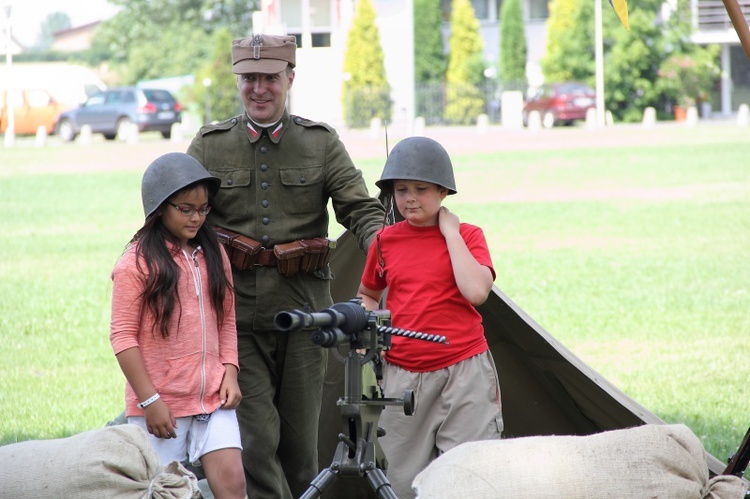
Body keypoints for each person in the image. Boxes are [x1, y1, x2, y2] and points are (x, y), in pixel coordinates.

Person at [186, 34, 385, 499]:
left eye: (270, 78)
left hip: (307, 318)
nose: (259, 89)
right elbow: (177, 210)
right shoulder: (210, 146)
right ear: (238, 81)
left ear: (289, 79)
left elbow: (360, 209)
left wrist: (388, 249)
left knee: (300, 449)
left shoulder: (320, 143)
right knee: (255, 442)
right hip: (235, 322)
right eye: (249, 78)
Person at [357, 136, 504, 499]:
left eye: (421, 189)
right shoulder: (384, 241)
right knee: (401, 484)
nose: (409, 198)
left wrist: (450, 232)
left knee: (468, 478)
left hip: (464, 372)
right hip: (402, 377)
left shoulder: (468, 235)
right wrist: (367, 328)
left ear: (442, 191)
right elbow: (368, 295)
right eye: (401, 189)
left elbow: (476, 292)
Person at [110, 152, 246, 499]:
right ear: (159, 208)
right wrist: (149, 400)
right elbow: (123, 337)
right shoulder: (135, 263)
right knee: (166, 493)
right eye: (185, 209)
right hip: (161, 407)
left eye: (203, 209)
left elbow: (226, 318)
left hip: (213, 400)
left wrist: (229, 370)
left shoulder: (213, 252)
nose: (197, 217)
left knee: (233, 482)